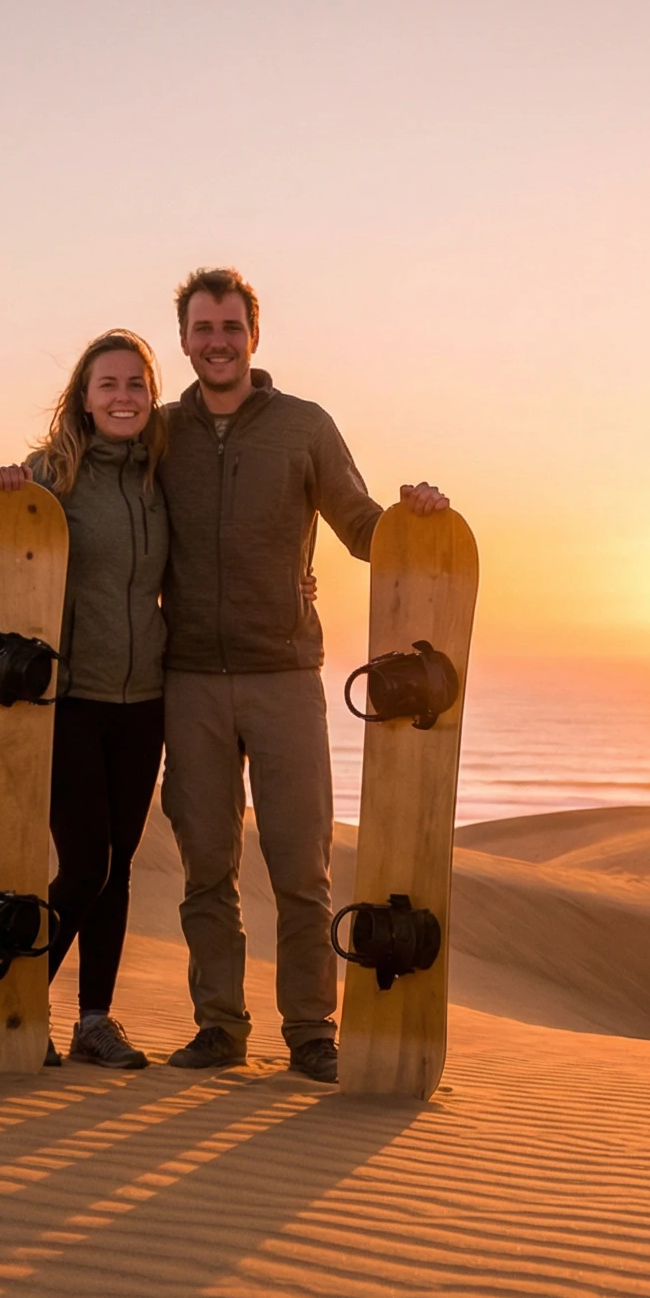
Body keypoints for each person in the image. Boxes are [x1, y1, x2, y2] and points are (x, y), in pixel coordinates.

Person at [157, 266, 450, 1083]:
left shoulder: (303, 426)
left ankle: (311, 1032)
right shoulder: (160, 431)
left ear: (254, 335)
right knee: (206, 866)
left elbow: (361, 526)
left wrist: (412, 514)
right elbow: (96, 482)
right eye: (202, 329)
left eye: (230, 328)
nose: (216, 342)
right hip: (188, 680)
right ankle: (219, 1026)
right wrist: (24, 484)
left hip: (284, 673)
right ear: (184, 340)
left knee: (301, 866)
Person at [0, 330, 170, 1069]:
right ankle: (18, 1000)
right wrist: (5, 492)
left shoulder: (163, 479)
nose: (123, 397)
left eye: (135, 385)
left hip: (144, 697)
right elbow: (2, 550)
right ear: (84, 398)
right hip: (70, 698)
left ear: (151, 398)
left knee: (119, 862)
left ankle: (95, 1020)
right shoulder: (51, 473)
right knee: (86, 862)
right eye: (108, 385)